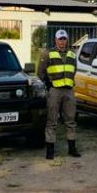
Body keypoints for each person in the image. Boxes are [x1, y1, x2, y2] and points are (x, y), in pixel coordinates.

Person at [37, 29, 80, 159]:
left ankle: (72, 148)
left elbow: (74, 70)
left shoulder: (72, 54)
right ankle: (50, 150)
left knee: (71, 120)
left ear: (67, 40)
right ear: (55, 40)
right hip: (54, 90)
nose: (62, 41)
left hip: (69, 90)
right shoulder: (48, 54)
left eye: (64, 39)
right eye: (60, 39)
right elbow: (40, 72)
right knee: (52, 120)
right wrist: (49, 84)